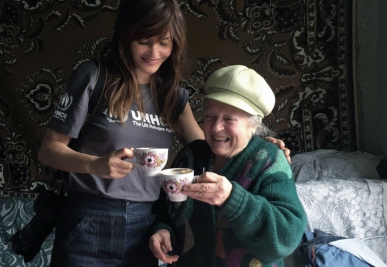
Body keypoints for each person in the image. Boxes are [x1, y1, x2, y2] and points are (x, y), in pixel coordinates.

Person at [38, 0, 204, 266]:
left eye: (164, 42)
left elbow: (209, 152)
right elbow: (48, 150)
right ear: (126, 36)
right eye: (144, 40)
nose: (154, 52)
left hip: (144, 227)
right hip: (88, 219)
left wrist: (260, 146)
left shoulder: (172, 96)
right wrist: (95, 165)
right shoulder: (94, 77)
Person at [149, 65, 307, 267]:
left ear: (254, 124)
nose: (216, 127)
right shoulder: (191, 156)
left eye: (229, 119)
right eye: (209, 116)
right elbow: (163, 209)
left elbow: (287, 238)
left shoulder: (270, 160)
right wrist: (162, 229)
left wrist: (233, 200)